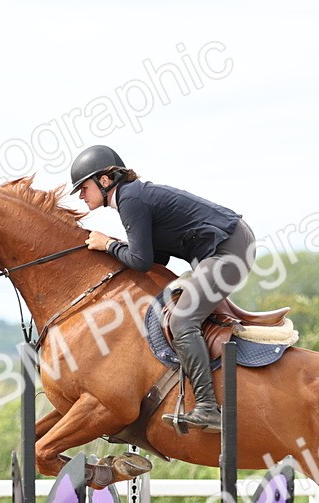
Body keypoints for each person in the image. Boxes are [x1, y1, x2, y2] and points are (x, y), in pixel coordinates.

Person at [69, 144, 254, 432]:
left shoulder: (130, 199)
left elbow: (141, 262)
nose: (81, 195)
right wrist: (115, 247)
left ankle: (208, 408)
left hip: (228, 249)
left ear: (104, 180)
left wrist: (109, 244)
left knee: (182, 320)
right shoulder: (131, 196)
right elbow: (157, 257)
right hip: (225, 247)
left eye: (84, 188)